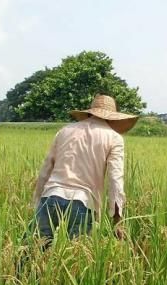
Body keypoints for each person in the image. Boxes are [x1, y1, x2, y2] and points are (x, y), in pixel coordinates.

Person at [32, 94, 138, 242]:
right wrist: (117, 219)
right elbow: (115, 180)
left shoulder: (65, 131)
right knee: (76, 259)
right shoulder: (114, 138)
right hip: (83, 202)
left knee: (32, 251)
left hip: (51, 196)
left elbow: (46, 169)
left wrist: (37, 202)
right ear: (112, 118)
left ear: (89, 112)